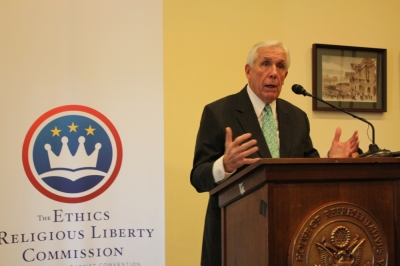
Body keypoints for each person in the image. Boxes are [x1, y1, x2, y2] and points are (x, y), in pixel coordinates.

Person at [190, 40, 359, 266]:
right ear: (248, 71)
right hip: (235, 239)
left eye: (280, 66)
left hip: (290, 237)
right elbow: (198, 178)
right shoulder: (219, 113)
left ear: (286, 75)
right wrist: (225, 165)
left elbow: (306, 175)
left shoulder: (297, 117)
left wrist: (332, 161)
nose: (273, 73)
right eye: (265, 64)